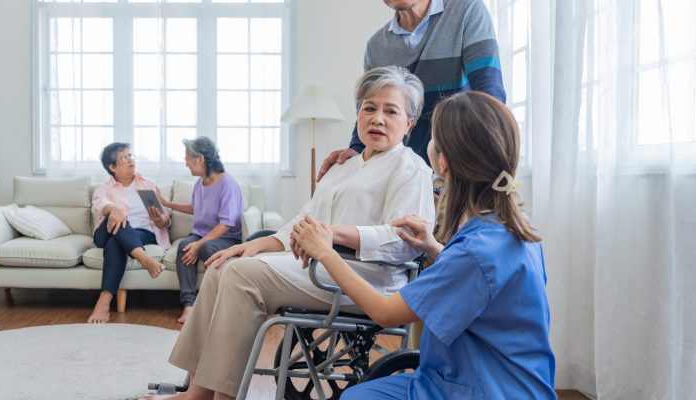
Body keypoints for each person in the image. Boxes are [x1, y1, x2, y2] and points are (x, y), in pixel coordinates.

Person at [158, 66, 436, 400]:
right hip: (317, 266)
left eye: (391, 111)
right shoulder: (344, 164)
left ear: (409, 123)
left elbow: (403, 241)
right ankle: (197, 392)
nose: (377, 118)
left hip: (363, 277)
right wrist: (257, 244)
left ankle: (223, 396)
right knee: (222, 265)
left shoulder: (411, 168)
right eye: (369, 108)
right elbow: (303, 220)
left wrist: (331, 235)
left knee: (243, 277)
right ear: (358, 114)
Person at [291, 91, 556, 399]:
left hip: (478, 389)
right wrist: (433, 248)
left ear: (442, 162)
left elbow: (386, 313)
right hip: (516, 384)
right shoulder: (514, 228)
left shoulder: (474, 250)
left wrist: (325, 251)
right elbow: (483, 283)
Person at [318, 0, 506, 176]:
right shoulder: (376, 47)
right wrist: (356, 151)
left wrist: (479, 164)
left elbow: (490, 98)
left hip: (460, 169)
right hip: (402, 175)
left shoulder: (466, 10)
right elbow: (370, 107)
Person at [157, 137, 244, 324]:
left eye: (188, 158)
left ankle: (218, 304)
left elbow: (226, 224)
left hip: (227, 238)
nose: (186, 163)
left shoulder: (227, 184)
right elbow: (195, 208)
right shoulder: (200, 183)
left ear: (200, 159)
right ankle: (189, 305)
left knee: (205, 248)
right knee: (184, 246)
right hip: (203, 234)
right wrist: (167, 204)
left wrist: (199, 244)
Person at [87, 143, 171, 324]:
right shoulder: (104, 188)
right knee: (119, 220)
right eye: (124, 158)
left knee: (116, 242)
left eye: (131, 156)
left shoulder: (147, 184)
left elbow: (165, 219)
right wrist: (113, 210)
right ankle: (144, 258)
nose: (130, 160)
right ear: (112, 167)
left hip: (142, 233)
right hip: (106, 232)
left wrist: (159, 220)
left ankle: (104, 301)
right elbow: (99, 205)